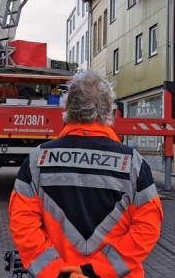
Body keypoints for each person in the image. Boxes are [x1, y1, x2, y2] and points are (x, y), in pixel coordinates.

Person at [9, 70, 163, 277]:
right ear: (109, 110)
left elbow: (22, 225)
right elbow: (147, 229)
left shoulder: (37, 160)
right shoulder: (133, 163)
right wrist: (97, 270)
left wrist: (58, 271)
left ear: (67, 108)